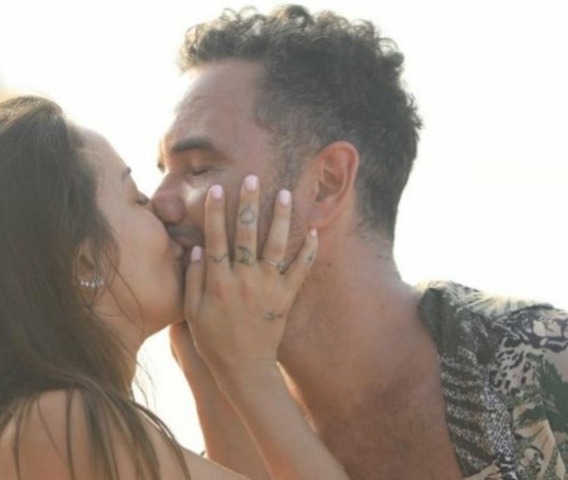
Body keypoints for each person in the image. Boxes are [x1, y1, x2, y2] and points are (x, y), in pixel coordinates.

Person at [152, 5, 568, 479]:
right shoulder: (229, 421)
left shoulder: (546, 365)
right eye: (162, 171)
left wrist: (247, 375)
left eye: (199, 168)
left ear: (327, 183)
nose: (159, 202)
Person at [0, 90, 352, 480]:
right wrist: (251, 368)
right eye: (137, 199)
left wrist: (213, 367)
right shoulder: (62, 426)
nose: (164, 210)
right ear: (85, 260)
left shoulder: (30, 425)